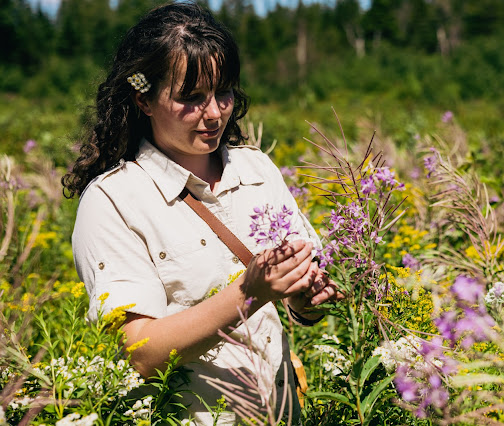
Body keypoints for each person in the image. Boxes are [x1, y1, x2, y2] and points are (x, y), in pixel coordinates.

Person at [62, 2, 339, 424]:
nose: (214, 113)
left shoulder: (256, 169)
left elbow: (303, 311)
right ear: (144, 98)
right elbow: (143, 352)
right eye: (191, 98)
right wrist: (250, 291)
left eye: (223, 92)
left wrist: (308, 297)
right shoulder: (113, 202)